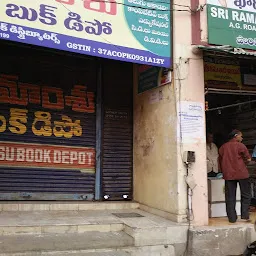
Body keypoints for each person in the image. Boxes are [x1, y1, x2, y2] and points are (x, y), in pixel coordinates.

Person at [219, 129, 251, 223]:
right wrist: (244, 163)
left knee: (230, 196)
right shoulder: (240, 145)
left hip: (228, 174)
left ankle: (232, 218)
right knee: (246, 194)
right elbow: (248, 159)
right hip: (242, 173)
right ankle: (245, 215)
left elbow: (220, 161)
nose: (242, 138)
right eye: (241, 136)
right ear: (236, 136)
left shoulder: (223, 147)